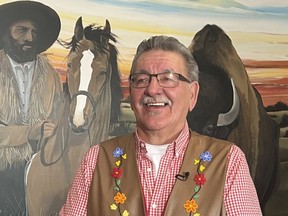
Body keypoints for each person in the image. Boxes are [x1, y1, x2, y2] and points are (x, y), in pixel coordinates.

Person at [60, 36, 262, 215]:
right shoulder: (96, 160)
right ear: (131, 94)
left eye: (168, 79)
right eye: (141, 79)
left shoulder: (228, 162)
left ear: (192, 94)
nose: (153, 89)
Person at [0, 1, 62, 215]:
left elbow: (59, 119)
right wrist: (29, 132)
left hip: (43, 168)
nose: (29, 38)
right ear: (6, 31)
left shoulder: (52, 76)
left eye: (34, 32)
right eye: (21, 30)